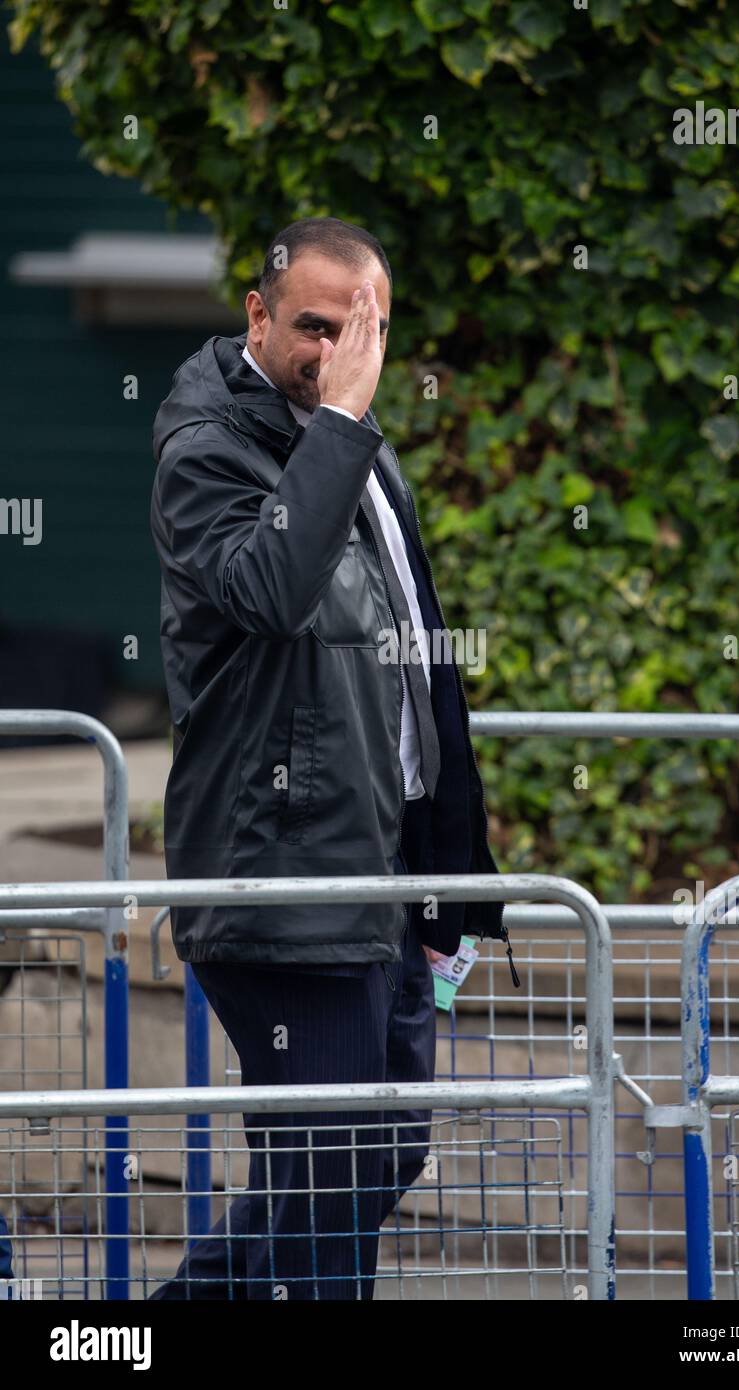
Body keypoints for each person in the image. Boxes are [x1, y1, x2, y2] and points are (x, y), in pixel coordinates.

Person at [148, 216, 516, 1301]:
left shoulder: (354, 439)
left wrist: (451, 870)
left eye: (365, 332)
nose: (339, 355)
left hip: (386, 878)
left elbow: (418, 664)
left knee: (369, 1161)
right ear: (256, 316)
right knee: (327, 1199)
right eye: (315, 327)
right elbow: (268, 588)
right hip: (285, 890)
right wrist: (343, 421)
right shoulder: (207, 445)